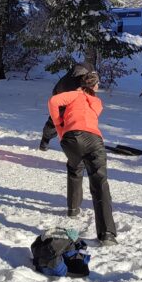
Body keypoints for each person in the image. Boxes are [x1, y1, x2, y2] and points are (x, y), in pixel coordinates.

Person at [48, 71, 117, 245]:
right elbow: (92, 112)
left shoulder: (74, 95)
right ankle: (107, 233)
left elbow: (54, 101)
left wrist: (59, 124)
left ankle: (73, 208)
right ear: (94, 86)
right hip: (94, 139)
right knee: (99, 181)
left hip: (70, 137)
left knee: (74, 168)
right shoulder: (97, 102)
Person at [40, 62, 94, 151]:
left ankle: (46, 140)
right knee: (57, 121)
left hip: (64, 97)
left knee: (61, 122)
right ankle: (46, 141)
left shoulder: (76, 75)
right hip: (62, 101)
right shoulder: (76, 81)